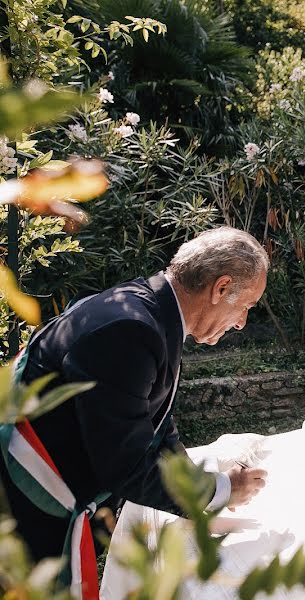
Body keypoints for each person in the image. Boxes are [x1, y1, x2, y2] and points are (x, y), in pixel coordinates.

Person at [0, 227, 270, 577]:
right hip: (23, 510)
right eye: (246, 306)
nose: (241, 323)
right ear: (220, 288)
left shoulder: (149, 312)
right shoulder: (130, 330)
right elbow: (125, 463)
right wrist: (220, 489)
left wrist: (203, 490)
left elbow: (154, 425)